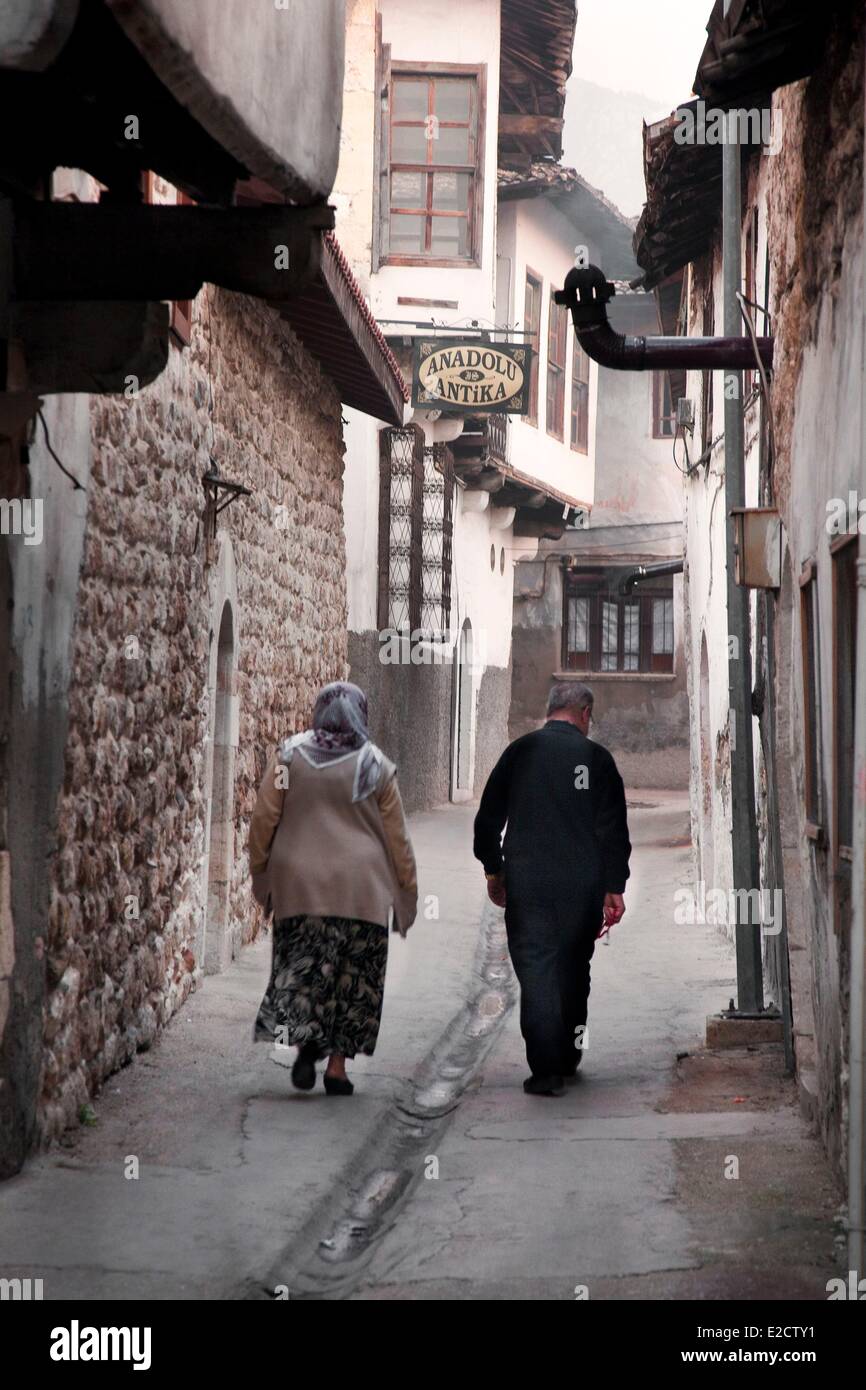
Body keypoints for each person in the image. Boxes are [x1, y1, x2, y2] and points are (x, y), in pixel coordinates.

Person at [248, 681, 417, 1095]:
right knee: (352, 980)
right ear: (362, 712)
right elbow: (398, 841)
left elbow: (263, 821)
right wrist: (407, 899)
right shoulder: (376, 765)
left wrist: (262, 875)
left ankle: (308, 1045)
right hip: (362, 891)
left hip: (300, 889)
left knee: (304, 970)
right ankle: (337, 1068)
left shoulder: (290, 755)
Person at [473, 681, 631, 1097]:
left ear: (550, 711)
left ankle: (546, 1070)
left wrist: (495, 870)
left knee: (538, 968)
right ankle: (568, 1053)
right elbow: (613, 830)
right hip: (582, 885)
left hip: (529, 883)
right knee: (574, 966)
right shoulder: (595, 759)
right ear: (584, 714)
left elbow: (487, 821)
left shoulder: (519, 753)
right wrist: (614, 887)